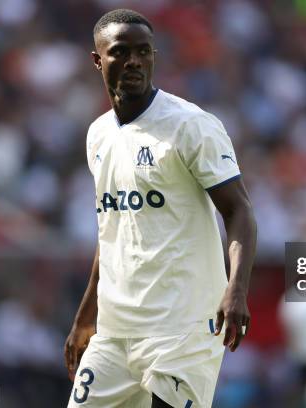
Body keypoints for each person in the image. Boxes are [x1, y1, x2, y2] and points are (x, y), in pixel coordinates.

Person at [63, 9, 257, 408]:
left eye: (144, 52)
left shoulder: (190, 125)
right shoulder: (98, 135)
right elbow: (112, 231)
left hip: (181, 326)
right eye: (120, 52)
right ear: (98, 60)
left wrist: (236, 289)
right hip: (116, 329)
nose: (134, 61)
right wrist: (87, 314)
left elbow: (239, 211)